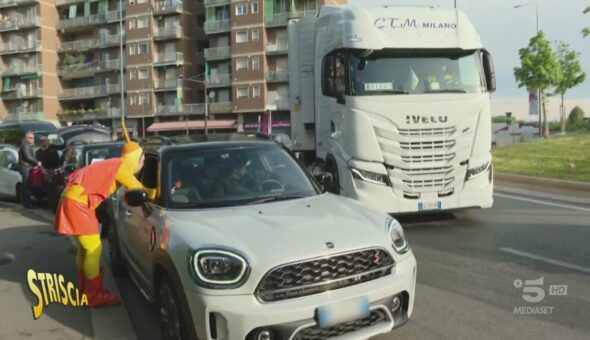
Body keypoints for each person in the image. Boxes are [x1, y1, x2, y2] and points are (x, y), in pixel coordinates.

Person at [54, 141, 149, 307]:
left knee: (85, 250)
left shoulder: (115, 163)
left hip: (73, 200)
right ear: (135, 159)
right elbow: (138, 189)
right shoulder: (122, 167)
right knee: (94, 249)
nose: (143, 165)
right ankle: (94, 296)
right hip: (79, 204)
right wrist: (158, 192)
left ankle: (85, 290)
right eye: (142, 161)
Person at [18, 131, 38, 208]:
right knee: (26, 185)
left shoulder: (26, 145)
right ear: (26, 138)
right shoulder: (25, 146)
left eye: (33, 138)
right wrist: (37, 162)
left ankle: (26, 203)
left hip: (27, 167)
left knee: (26, 185)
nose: (32, 139)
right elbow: (28, 157)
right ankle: (28, 204)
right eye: (30, 138)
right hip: (25, 167)